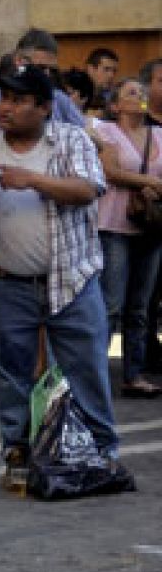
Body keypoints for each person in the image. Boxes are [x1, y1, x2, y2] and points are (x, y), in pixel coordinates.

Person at [0, 65, 121, 482]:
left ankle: (101, 449)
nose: (5, 107)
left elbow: (88, 188)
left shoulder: (70, 139)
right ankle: (17, 450)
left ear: (45, 107)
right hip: (5, 282)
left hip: (72, 277)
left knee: (85, 366)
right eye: (2, 98)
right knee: (10, 372)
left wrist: (32, 179)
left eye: (17, 100)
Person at [93, 77, 162, 397]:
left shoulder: (158, 134)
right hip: (114, 224)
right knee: (111, 303)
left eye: (142, 93)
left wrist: (153, 186)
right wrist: (147, 181)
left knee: (140, 305)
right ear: (116, 105)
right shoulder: (105, 132)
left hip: (150, 226)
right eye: (131, 92)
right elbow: (109, 171)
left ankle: (133, 373)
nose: (139, 97)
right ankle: (97, 373)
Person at [0, 29, 84, 128]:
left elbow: (86, 134)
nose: (47, 75)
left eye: (52, 70)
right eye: (41, 68)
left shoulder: (59, 99)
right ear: (19, 61)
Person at [85, 47, 120, 113]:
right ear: (91, 69)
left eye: (114, 71)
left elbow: (143, 107)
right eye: (106, 69)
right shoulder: (74, 94)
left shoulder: (114, 96)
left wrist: (143, 104)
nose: (111, 75)